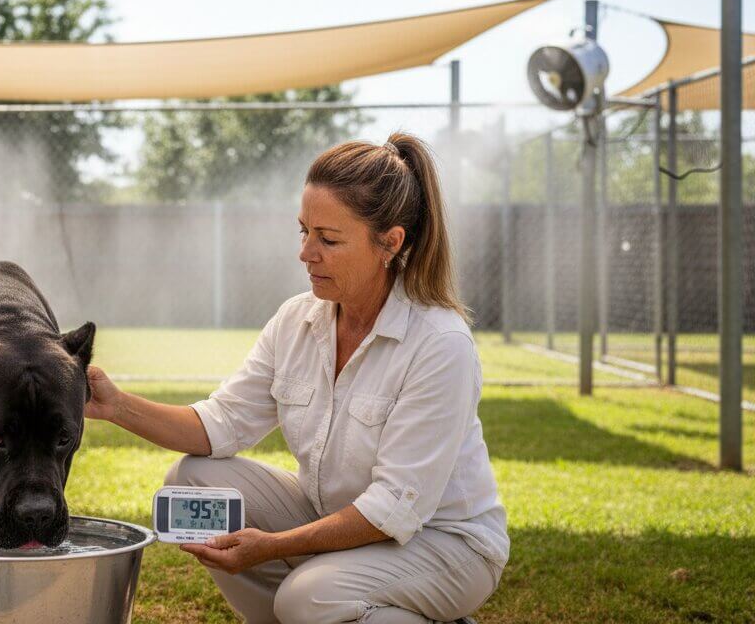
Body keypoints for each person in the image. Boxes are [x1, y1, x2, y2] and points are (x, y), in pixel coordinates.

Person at [85, 133, 507, 624]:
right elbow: (217, 425)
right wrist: (115, 405)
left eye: (328, 239)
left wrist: (270, 547)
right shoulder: (297, 320)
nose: (306, 253)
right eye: (303, 231)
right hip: (337, 520)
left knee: (306, 598)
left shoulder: (440, 343)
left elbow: (393, 508)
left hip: (445, 545)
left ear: (389, 243)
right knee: (195, 478)